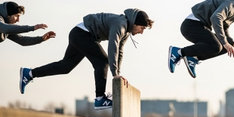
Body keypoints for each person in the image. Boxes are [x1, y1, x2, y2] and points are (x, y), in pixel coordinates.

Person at [20, 8, 153, 110]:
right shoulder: (120, 24)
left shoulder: (127, 31)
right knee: (102, 61)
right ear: (135, 23)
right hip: (82, 34)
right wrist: (115, 74)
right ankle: (100, 98)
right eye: (141, 28)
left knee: (66, 66)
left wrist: (118, 73)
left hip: (80, 34)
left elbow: (120, 52)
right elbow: (113, 46)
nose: (141, 32)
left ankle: (30, 73)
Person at [0, 1, 55, 105]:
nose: (18, 20)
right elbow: (6, 28)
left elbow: (22, 41)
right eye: (17, 16)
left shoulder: (6, 27)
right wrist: (32, 28)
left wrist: (41, 39)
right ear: (8, 14)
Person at [168, 0, 234, 78]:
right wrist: (225, 42)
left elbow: (223, 29)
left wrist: (232, 43)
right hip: (192, 25)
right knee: (217, 45)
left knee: (226, 48)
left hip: (200, 26)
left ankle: (193, 58)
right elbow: (216, 17)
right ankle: (178, 52)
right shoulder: (232, 5)